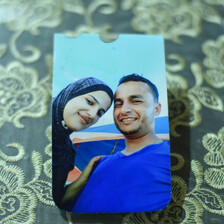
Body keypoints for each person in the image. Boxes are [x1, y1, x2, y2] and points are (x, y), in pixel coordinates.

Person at [70, 73, 171, 213]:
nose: (124, 110)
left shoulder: (172, 158)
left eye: (136, 101)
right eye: (118, 104)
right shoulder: (98, 163)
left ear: (157, 108)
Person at [52, 77, 113, 209]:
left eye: (99, 113)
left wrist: (85, 177)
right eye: (90, 102)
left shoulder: (66, 150)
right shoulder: (28, 121)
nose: (92, 115)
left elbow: (57, 200)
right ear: (71, 93)